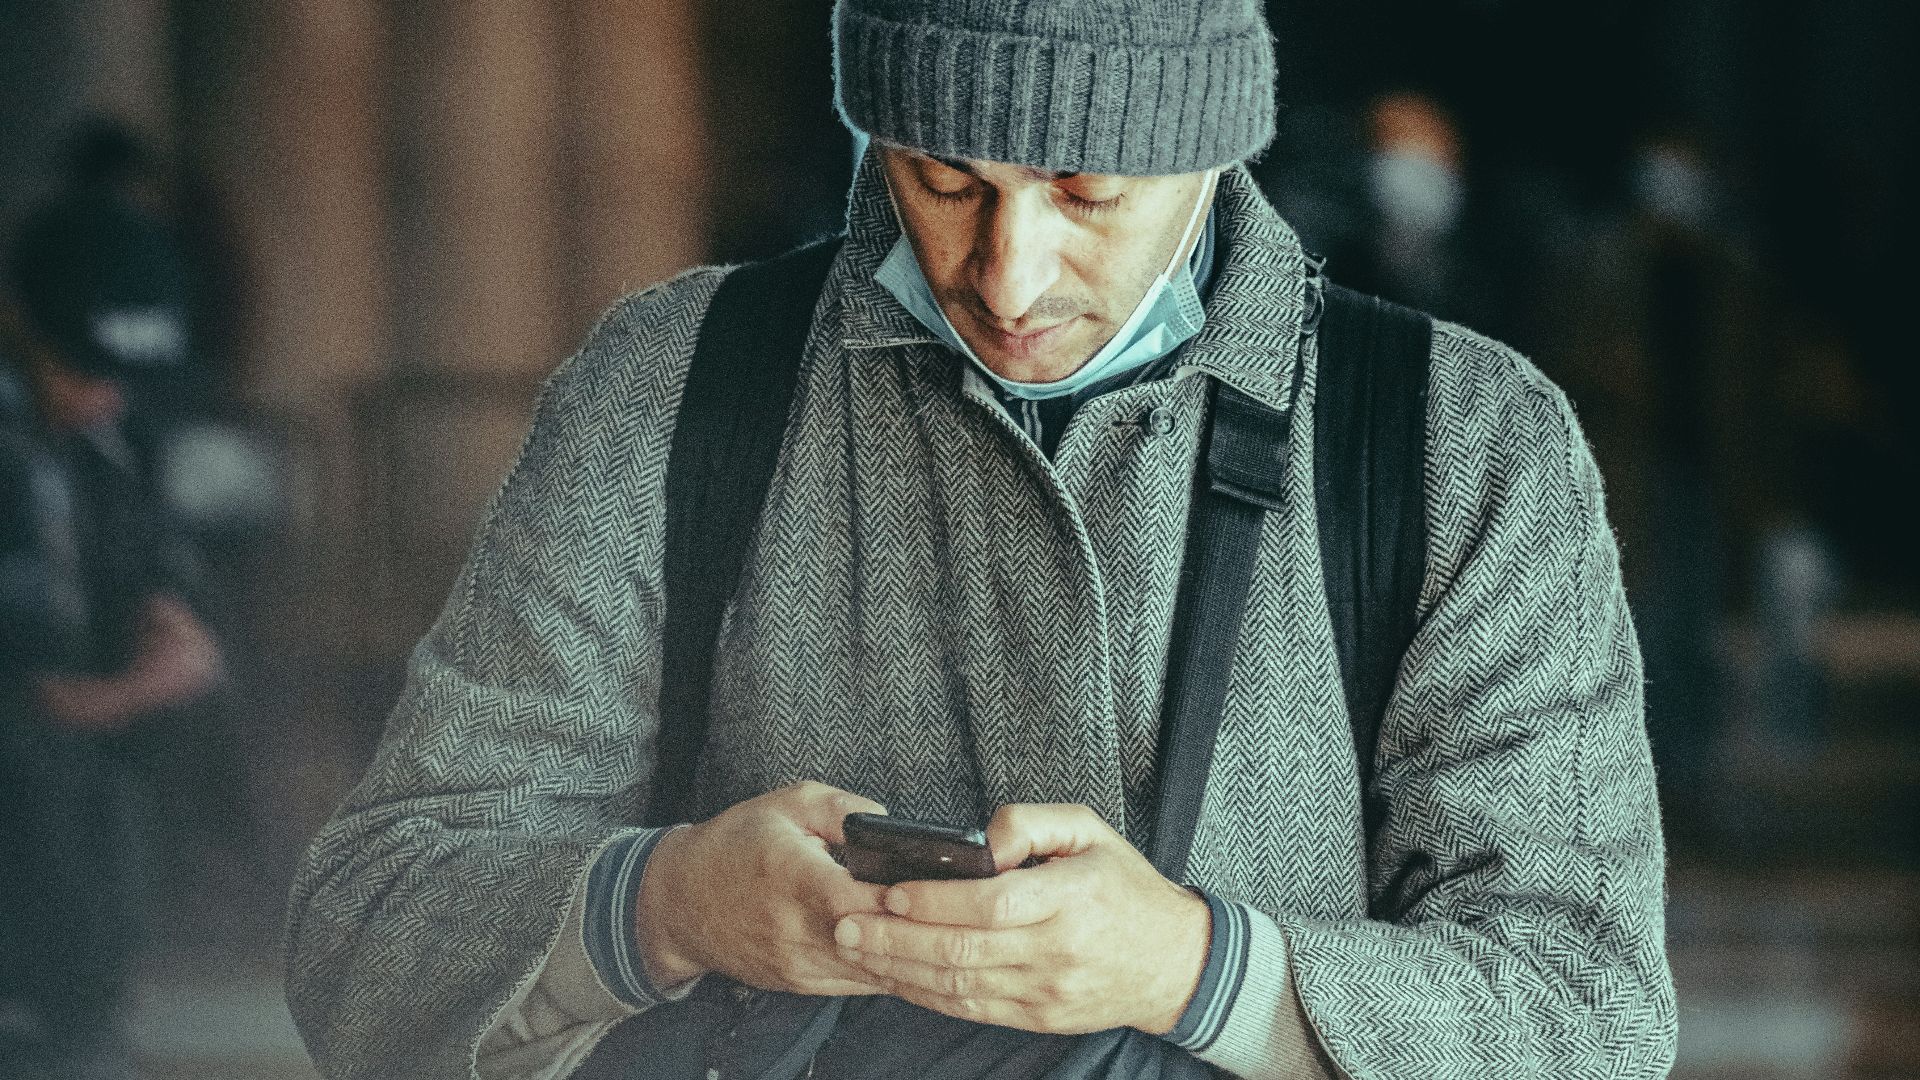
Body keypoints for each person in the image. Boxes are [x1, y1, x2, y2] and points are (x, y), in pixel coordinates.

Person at [286, 1, 1676, 1077]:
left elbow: (1592, 1017)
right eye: (944, 179)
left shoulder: (1463, 441)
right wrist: (670, 906)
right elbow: (366, 933)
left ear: (1211, 145)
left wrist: (1198, 972)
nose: (1008, 278)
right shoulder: (668, 389)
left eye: (1087, 192)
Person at [0, 229, 224, 1075]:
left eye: (120, 379)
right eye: (82, 371)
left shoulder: (112, 439)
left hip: (82, 786)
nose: (105, 398)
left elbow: (154, 557)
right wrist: (133, 690)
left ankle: (90, 1004)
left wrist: (168, 612)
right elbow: (28, 690)